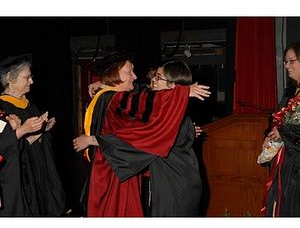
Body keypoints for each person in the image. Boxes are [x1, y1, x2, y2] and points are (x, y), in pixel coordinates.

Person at [74, 56, 211, 217]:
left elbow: (139, 132)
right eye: (129, 71)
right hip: (173, 184)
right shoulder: (167, 113)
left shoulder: (167, 116)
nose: (150, 79)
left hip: (175, 187)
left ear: (172, 87)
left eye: (158, 77)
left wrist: (183, 92)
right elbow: (144, 97)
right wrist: (104, 83)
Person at [0, 54, 66, 216]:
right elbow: (3, 147)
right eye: (27, 77)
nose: (31, 81)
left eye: (31, 77)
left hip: (36, 174)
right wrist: (23, 132)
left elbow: (31, 143)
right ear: (10, 78)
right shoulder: (2, 109)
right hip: (18, 180)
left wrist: (42, 131)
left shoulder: (30, 105)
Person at [260, 42, 300, 217]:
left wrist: (284, 132)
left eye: (291, 61)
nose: (287, 66)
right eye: (285, 62)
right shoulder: (289, 92)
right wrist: (269, 136)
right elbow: (276, 120)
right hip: (283, 161)